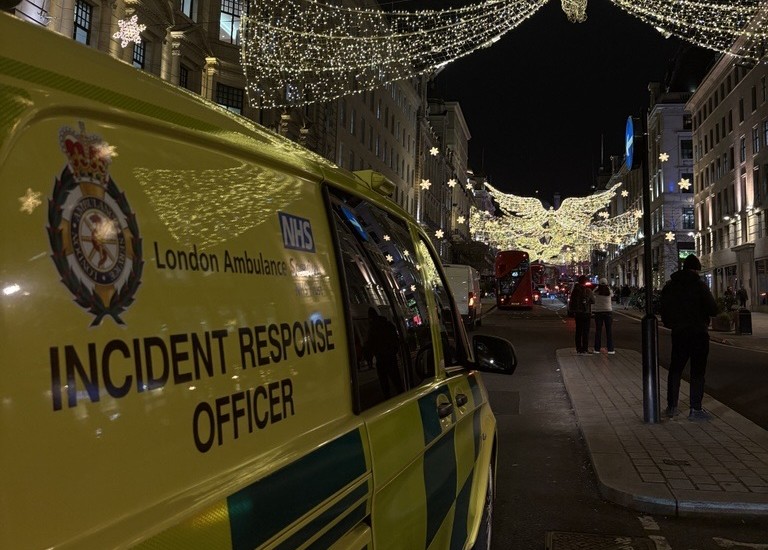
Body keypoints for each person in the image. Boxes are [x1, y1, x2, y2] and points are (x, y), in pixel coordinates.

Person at [660, 255, 718, 421]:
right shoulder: (699, 285)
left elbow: (663, 309)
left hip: (679, 332)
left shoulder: (670, 286)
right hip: (698, 332)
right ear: (696, 269)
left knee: (675, 369)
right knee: (697, 371)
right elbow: (713, 309)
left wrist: (672, 323)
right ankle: (695, 409)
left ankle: (672, 406)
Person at [363, 307, 404, 398]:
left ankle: (388, 399)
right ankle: (402, 395)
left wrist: (369, 355)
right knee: (396, 380)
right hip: (390, 356)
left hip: (381, 358)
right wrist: (394, 350)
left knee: (384, 383)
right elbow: (395, 339)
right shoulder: (388, 325)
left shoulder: (372, 328)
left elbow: (369, 344)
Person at [570, 275, 594, 355]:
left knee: (578, 331)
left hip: (578, 313)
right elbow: (593, 301)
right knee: (585, 332)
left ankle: (578, 349)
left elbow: (572, 301)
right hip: (586, 312)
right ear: (585, 281)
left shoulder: (575, 290)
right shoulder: (588, 290)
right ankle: (585, 349)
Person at [592, 278, 615, 354]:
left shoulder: (596, 292)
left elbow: (593, 293)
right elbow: (613, 294)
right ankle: (611, 349)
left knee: (598, 331)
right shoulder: (609, 291)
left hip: (598, 312)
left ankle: (597, 349)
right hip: (608, 312)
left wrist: (597, 287)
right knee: (609, 331)